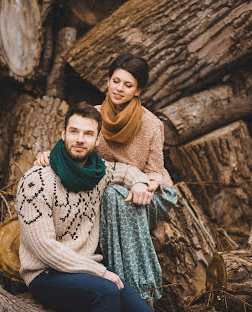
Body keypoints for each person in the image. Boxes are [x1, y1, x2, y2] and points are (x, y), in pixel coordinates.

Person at [35, 54, 178, 304]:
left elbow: (156, 170)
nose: (119, 89)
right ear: (107, 81)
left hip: (149, 192)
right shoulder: (95, 116)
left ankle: (140, 289)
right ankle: (117, 287)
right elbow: (74, 146)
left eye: (128, 85)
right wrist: (49, 155)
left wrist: (145, 184)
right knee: (111, 195)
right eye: (116, 81)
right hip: (107, 189)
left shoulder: (152, 124)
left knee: (116, 196)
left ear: (138, 90)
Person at [17, 103, 153, 312]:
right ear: (63, 134)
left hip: (88, 269)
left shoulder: (98, 173)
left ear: (97, 140)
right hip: (46, 274)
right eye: (74, 131)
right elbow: (44, 247)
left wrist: (139, 183)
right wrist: (98, 271)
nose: (80, 139)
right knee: (106, 291)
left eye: (88, 134)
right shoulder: (37, 181)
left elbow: (126, 171)